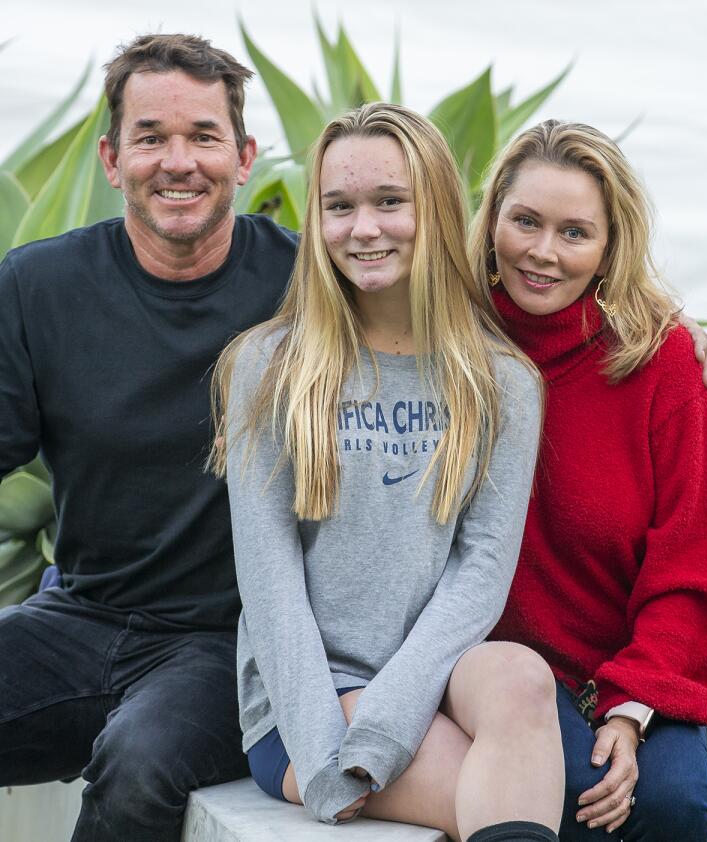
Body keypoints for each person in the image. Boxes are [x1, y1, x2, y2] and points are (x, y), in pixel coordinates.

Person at [0, 34, 296, 841]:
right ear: (113, 161)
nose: (177, 161)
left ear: (244, 157)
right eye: (150, 137)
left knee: (137, 769)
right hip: (78, 617)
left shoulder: (302, 289)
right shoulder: (38, 287)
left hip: (229, 645)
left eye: (203, 137)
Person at [211, 102, 562, 842]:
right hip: (309, 701)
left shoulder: (501, 382)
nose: (362, 228)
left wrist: (392, 720)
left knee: (521, 677)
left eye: (389, 202)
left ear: (432, 206)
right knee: (505, 793)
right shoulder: (269, 367)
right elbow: (269, 583)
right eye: (339, 206)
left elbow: (483, 572)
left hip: (434, 681)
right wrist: (331, 753)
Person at [476, 120, 707, 841]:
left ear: (608, 249)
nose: (542, 252)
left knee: (675, 807)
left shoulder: (662, 363)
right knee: (588, 797)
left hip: (633, 662)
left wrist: (632, 705)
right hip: (497, 671)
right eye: (525, 221)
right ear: (492, 217)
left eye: (574, 233)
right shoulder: (448, 344)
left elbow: (696, 563)